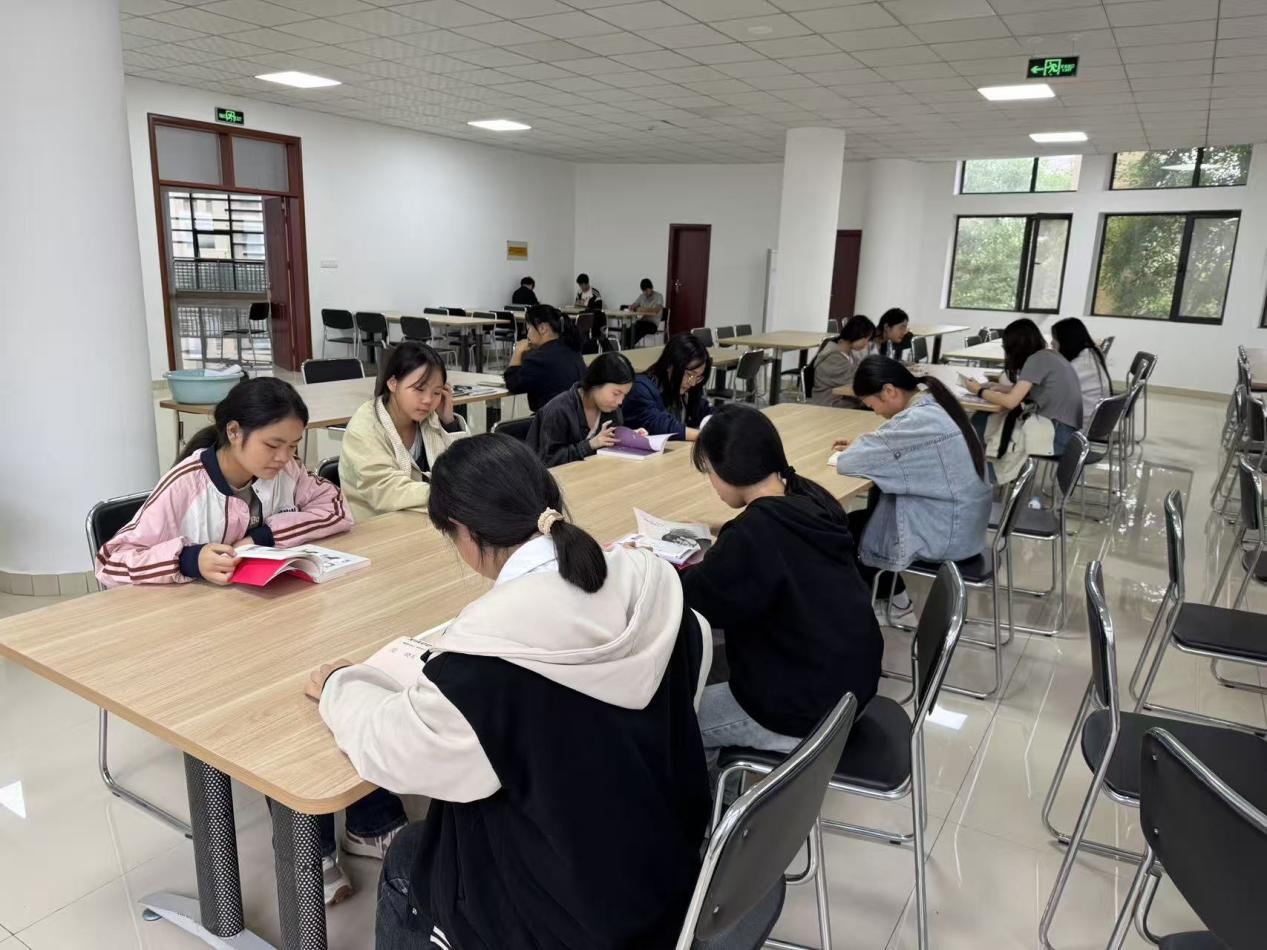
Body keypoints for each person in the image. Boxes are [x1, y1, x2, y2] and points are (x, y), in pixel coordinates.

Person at [311, 434, 712, 950]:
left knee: (411, 855)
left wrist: (341, 686)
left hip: (568, 920)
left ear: (463, 532)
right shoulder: (657, 593)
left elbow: (394, 751)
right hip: (670, 876)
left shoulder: (483, 668)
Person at [93, 377, 401, 905]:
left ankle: (370, 817)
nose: (285, 459)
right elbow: (111, 560)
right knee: (289, 700)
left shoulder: (285, 470)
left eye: (293, 446)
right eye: (273, 444)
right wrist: (189, 558)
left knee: (337, 670)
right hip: (197, 642)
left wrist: (265, 535)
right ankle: (311, 843)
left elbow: (336, 510)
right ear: (233, 432)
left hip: (272, 616)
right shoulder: (186, 484)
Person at [681, 404, 882, 764]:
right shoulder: (811, 500)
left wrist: (656, 563)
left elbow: (696, 599)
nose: (711, 483)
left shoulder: (755, 533)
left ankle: (717, 799)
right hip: (851, 691)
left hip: (804, 712)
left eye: (709, 472)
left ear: (728, 470)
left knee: (677, 724)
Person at [833, 356, 991, 618]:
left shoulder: (919, 419)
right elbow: (891, 449)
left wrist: (866, 448)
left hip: (948, 534)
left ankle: (890, 604)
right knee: (861, 519)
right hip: (963, 523)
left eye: (872, 405)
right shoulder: (934, 403)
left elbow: (849, 462)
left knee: (845, 533)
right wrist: (872, 447)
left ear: (889, 391)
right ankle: (893, 598)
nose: (876, 413)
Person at [339, 341, 468, 522]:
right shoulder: (364, 428)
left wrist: (449, 423)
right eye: (419, 389)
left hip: (428, 520)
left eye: (437, 392)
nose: (428, 400)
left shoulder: (431, 418)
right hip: (378, 526)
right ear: (393, 383)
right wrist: (453, 494)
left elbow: (465, 470)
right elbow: (386, 491)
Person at [961, 317, 1083, 454]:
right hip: (1068, 434)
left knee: (985, 423)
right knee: (990, 421)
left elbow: (1010, 402)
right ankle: (981, 461)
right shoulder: (1049, 355)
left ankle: (981, 464)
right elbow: (1033, 391)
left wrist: (978, 390)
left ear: (1015, 346)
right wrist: (997, 387)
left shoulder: (1036, 359)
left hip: (1057, 437)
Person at [527, 351, 644, 466]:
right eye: (616, 393)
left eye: (624, 395)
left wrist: (628, 439)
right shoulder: (559, 410)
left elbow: (610, 448)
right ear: (596, 382)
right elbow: (548, 461)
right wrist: (590, 445)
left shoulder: (612, 410)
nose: (620, 401)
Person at [622, 332, 712, 442]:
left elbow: (704, 409)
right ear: (670, 365)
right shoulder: (641, 388)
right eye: (689, 374)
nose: (693, 383)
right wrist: (706, 436)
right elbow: (661, 426)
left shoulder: (686, 388)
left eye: (698, 377)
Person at [503, 305, 586, 413]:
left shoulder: (538, 359)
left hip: (552, 419)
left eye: (529, 329)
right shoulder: (572, 349)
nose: (527, 335)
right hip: (577, 416)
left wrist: (517, 352)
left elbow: (513, 385)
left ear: (542, 329)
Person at [1050, 317, 1111, 431]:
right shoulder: (1092, 353)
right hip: (1099, 420)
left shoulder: (1078, 366)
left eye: (1055, 339)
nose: (1052, 343)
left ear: (1067, 341)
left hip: (1082, 426)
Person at [810, 313, 876, 408]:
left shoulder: (846, 352)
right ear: (857, 334)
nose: (866, 344)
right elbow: (857, 379)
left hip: (840, 400)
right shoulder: (833, 358)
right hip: (829, 403)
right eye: (866, 339)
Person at [628, 277, 664, 345]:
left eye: (647, 290)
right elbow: (633, 305)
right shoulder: (642, 296)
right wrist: (633, 307)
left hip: (652, 324)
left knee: (638, 329)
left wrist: (644, 309)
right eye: (643, 290)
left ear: (651, 288)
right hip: (642, 321)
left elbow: (656, 310)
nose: (645, 292)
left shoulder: (659, 296)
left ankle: (629, 346)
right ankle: (620, 345)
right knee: (631, 328)